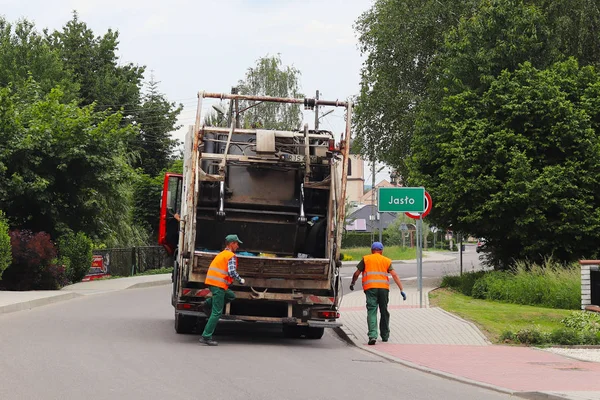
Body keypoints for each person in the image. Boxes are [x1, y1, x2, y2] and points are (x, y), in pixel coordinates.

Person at [349, 241, 406, 345]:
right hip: (384, 289)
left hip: (370, 289)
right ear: (381, 251)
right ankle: (385, 336)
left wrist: (352, 283)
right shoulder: (386, 260)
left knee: (372, 311)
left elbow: (356, 273)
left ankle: (372, 336)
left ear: (371, 250)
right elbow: (395, 275)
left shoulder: (366, 259)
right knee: (384, 311)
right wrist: (401, 290)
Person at [199, 234, 246, 346]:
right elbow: (231, 272)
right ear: (231, 244)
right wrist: (240, 280)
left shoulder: (222, 254)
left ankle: (206, 304)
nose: (238, 246)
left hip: (214, 283)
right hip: (218, 285)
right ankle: (206, 336)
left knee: (231, 296)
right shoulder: (230, 256)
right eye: (236, 244)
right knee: (216, 312)